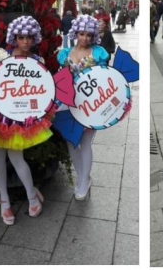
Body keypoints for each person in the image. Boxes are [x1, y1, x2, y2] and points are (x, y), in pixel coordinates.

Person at [0, 16, 50, 225]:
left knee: (16, 157)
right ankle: (4, 201)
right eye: (21, 37)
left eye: (29, 37)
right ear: (14, 37)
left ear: (34, 37)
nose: (26, 42)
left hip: (21, 115)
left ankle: (31, 194)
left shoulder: (38, 62)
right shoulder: (2, 56)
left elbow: (42, 91)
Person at [56, 15, 110, 200]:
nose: (85, 38)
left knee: (85, 143)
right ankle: (82, 178)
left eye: (89, 34)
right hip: (68, 103)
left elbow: (105, 78)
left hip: (91, 104)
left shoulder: (99, 53)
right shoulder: (64, 53)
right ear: (75, 33)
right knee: (71, 142)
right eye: (81, 34)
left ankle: (83, 180)